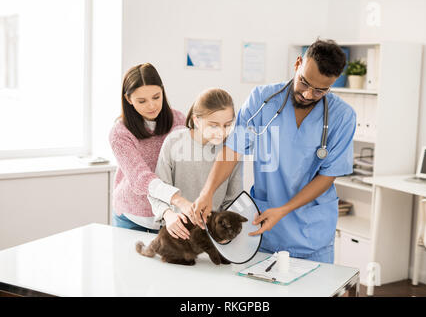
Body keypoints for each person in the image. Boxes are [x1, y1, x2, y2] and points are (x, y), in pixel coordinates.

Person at [192, 39, 356, 263]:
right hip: (266, 230)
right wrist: (207, 192)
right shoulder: (262, 100)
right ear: (298, 63)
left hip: (311, 234)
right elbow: (233, 149)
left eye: (320, 91)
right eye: (304, 83)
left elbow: (328, 176)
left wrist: (284, 209)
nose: (308, 94)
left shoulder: (343, 117)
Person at [148, 88, 242, 240]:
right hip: (176, 235)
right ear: (197, 121)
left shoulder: (231, 150)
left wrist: (226, 233)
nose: (221, 133)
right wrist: (168, 215)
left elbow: (233, 199)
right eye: (214, 125)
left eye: (227, 125)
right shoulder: (174, 142)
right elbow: (157, 190)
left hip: (213, 237)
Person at [109, 63, 186, 233]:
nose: (151, 106)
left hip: (172, 218)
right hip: (131, 218)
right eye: (142, 101)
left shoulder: (179, 120)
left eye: (156, 97)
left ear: (163, 91)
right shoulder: (120, 133)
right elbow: (140, 178)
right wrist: (177, 201)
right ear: (129, 100)